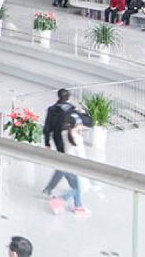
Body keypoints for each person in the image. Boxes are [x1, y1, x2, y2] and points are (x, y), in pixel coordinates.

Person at [39, 88, 89, 216]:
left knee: (61, 168)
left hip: (59, 142)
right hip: (68, 152)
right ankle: (76, 205)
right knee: (75, 184)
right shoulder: (71, 111)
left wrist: (47, 142)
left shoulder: (52, 109)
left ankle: (49, 190)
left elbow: (47, 127)